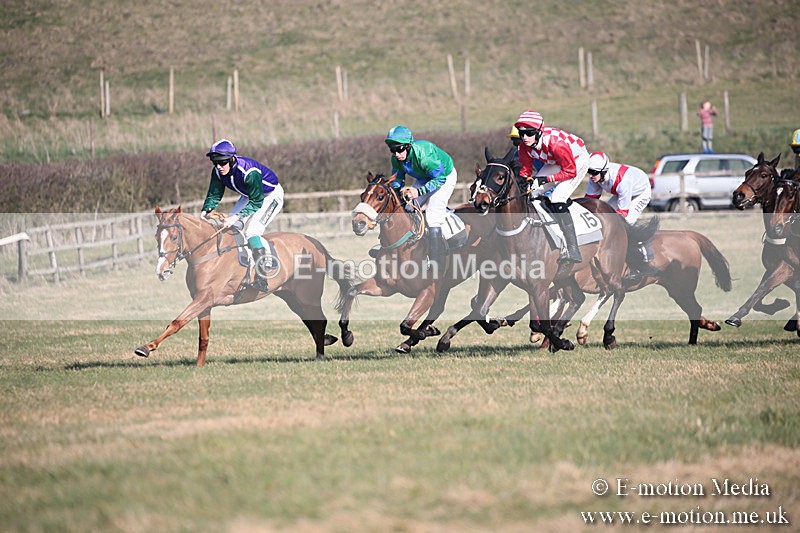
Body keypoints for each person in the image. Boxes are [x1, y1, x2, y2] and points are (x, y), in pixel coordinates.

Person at [200, 139, 284, 291]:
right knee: (232, 228)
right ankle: (241, 268)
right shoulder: (218, 172)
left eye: (223, 162)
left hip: (269, 196)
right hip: (248, 195)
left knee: (252, 231)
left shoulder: (248, 172)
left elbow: (257, 202)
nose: (219, 166)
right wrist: (205, 211)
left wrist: (235, 216)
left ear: (232, 159)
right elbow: (214, 193)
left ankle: (263, 276)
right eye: (215, 162)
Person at [515, 110, 590, 272]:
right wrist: (525, 181)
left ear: (538, 132)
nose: (525, 137)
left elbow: (570, 172)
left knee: (557, 197)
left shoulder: (555, 143)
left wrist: (545, 180)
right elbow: (526, 169)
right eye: (522, 134)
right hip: (556, 161)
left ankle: (572, 247)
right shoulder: (524, 145)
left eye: (529, 133)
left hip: (576, 161)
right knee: (531, 194)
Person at [385, 125, 457, 270]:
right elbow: (398, 178)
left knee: (432, 214)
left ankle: (437, 261)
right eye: (393, 150)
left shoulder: (424, 155)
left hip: (444, 176)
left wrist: (419, 192)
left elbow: (440, 179)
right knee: (407, 208)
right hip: (424, 177)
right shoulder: (396, 159)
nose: (397, 154)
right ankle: (414, 247)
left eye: (399, 149)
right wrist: (395, 191)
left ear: (408, 146)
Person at [583, 151, 658, 280]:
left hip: (639, 193)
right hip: (622, 192)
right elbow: (589, 202)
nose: (591, 175)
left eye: (593, 172)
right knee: (604, 216)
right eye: (589, 171)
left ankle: (644, 260)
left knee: (625, 226)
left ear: (603, 171)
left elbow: (622, 215)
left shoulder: (622, 181)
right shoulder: (596, 177)